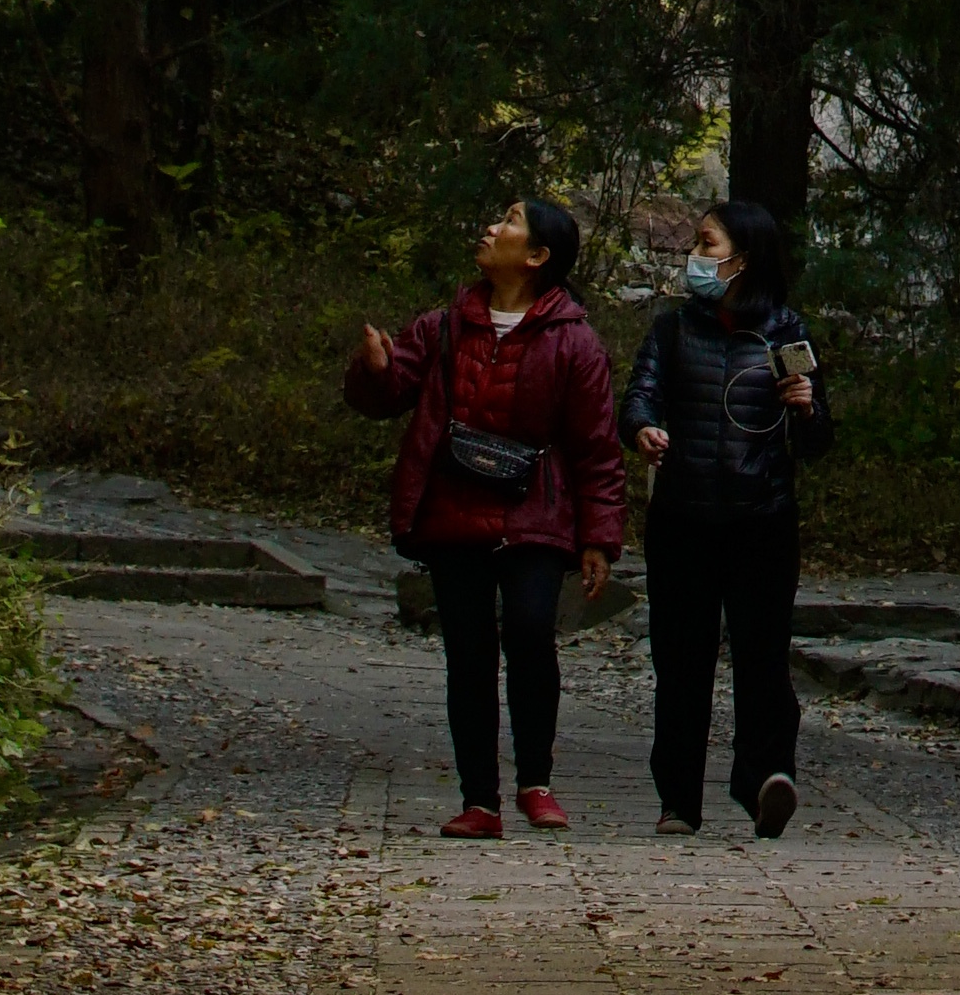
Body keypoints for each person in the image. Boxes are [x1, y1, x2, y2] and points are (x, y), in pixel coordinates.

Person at [346, 192, 624, 838]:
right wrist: (376, 369)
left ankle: (536, 782)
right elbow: (388, 394)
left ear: (535, 255)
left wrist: (599, 539)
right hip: (453, 509)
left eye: (510, 221)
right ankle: (480, 800)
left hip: (536, 512)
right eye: (496, 214)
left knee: (530, 630)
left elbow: (596, 446)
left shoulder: (574, 340)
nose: (491, 225)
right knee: (467, 653)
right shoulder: (444, 323)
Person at [625, 196, 830, 839]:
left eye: (707, 244)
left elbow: (820, 440)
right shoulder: (671, 328)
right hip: (683, 518)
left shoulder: (786, 332)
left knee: (762, 657)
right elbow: (639, 396)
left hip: (761, 520)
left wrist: (806, 406)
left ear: (744, 259)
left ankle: (766, 777)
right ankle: (679, 800)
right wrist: (644, 429)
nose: (696, 256)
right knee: (680, 661)